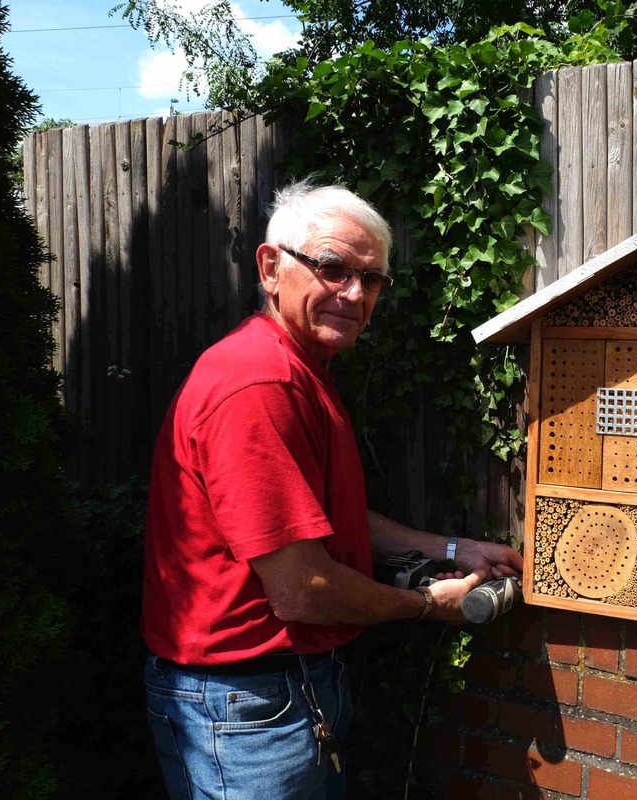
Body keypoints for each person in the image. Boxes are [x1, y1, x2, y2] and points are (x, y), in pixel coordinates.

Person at [141, 179, 522, 799]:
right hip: (245, 706)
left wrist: (450, 549)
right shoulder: (259, 384)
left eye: (371, 279)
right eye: (332, 267)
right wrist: (431, 607)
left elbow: (323, 518)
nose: (353, 293)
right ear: (271, 268)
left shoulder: (298, 368)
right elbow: (301, 591)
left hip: (278, 695)